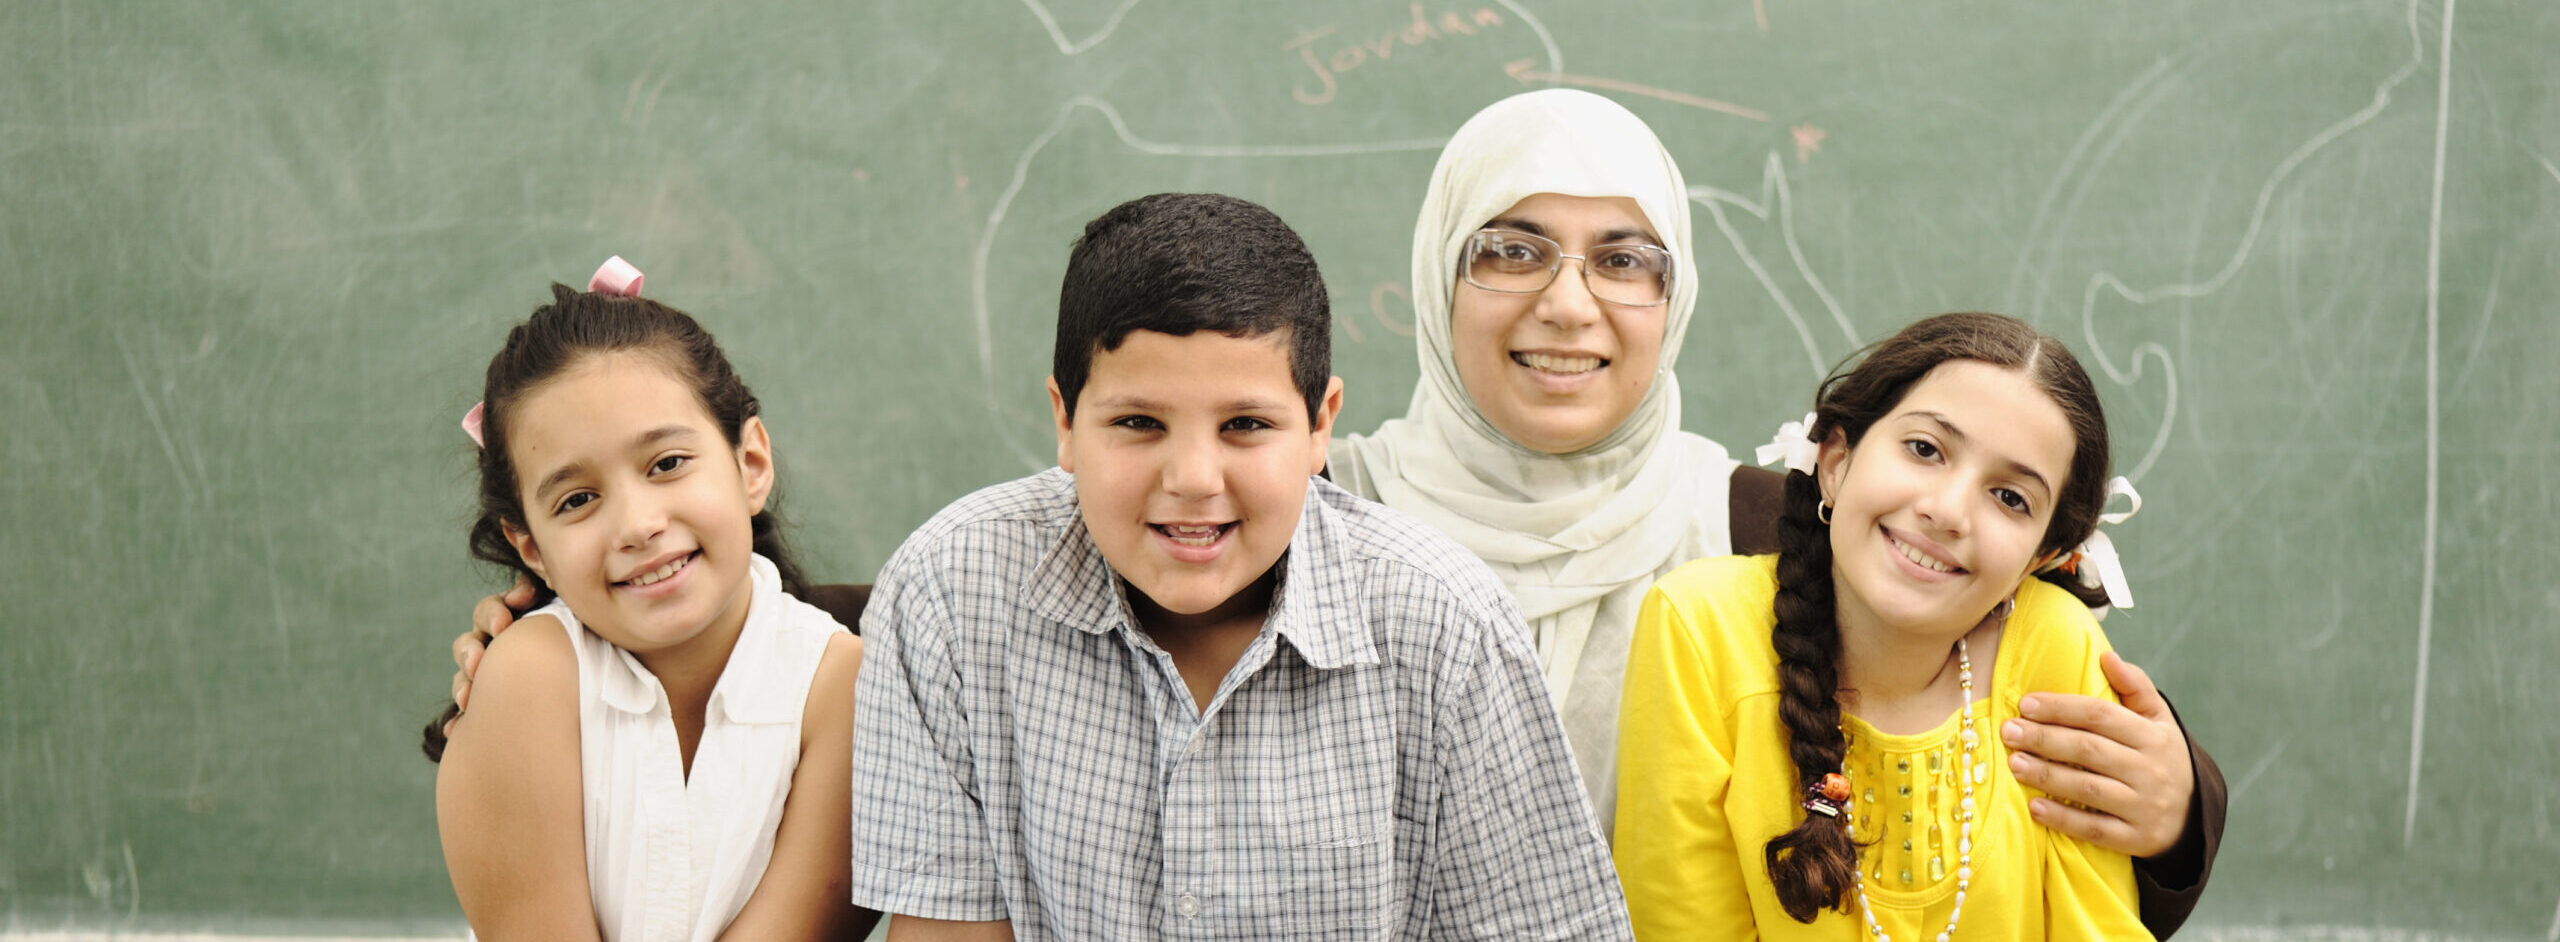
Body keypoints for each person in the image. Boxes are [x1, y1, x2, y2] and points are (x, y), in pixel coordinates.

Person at [1323, 89, 2219, 933]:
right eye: (1510, 250)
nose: (1566, 305)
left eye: (1624, 260)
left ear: (1673, 302)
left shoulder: (1759, 524)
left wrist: (2178, 810)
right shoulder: (1320, 509)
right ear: (1440, 266)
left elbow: (2028, 725)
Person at [846, 193, 1629, 940]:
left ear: (1321, 425)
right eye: (1138, 422)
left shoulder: (1444, 623)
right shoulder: (950, 592)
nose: (1192, 478)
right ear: (1064, 420)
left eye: (1246, 424)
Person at [1614, 312, 2155, 940]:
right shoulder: (1699, 629)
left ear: (2039, 559)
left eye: (2011, 498)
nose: (1948, 511)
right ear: (1836, 460)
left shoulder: (2058, 646)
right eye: (1925, 449)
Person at [425, 260, 875, 941]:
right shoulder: (525, 681)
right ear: (532, 548)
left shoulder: (845, 689)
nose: (637, 524)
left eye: (666, 464)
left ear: (750, 463)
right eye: (576, 500)